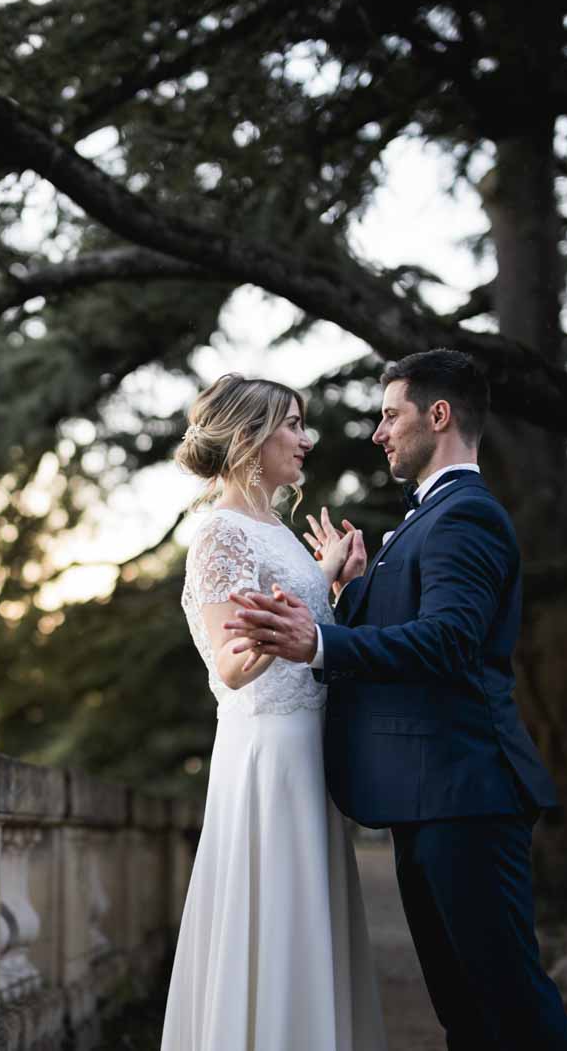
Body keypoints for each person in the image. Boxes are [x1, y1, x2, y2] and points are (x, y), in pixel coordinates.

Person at [225, 350, 567, 1051]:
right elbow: (409, 628)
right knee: (466, 1011)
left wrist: (317, 643)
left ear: (438, 416)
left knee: (510, 1005)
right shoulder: (428, 519)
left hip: (467, 794)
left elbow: (447, 641)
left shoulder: (464, 516)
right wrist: (349, 593)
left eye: (391, 415)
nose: (379, 433)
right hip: (432, 801)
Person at [161, 373, 386, 1051]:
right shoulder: (218, 534)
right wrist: (316, 582)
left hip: (309, 752)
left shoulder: (281, 534)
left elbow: (305, 638)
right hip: (267, 755)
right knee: (273, 922)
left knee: (308, 924)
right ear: (250, 439)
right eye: (291, 424)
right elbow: (231, 664)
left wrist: (337, 586)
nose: (305, 438)